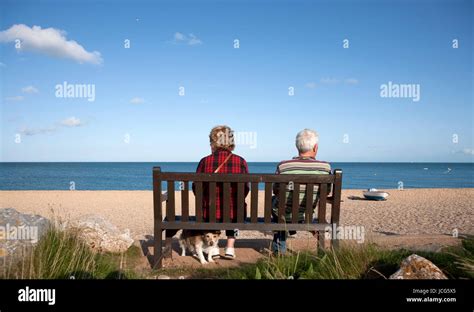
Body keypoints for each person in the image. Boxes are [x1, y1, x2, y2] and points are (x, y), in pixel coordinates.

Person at [193, 125, 249, 259]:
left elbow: (196, 188)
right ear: (231, 142)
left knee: (210, 208)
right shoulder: (240, 161)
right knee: (236, 206)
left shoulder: (204, 161)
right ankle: (230, 247)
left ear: (213, 142)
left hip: (209, 212)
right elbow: (245, 189)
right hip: (234, 214)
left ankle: (215, 248)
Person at [271, 129, 331, 254]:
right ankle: (322, 249)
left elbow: (276, 190)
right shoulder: (325, 168)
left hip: (284, 215)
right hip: (307, 215)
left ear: (297, 146)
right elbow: (326, 193)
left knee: (277, 204)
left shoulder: (284, 166)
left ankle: (280, 250)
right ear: (315, 147)